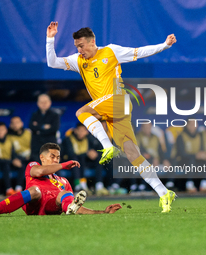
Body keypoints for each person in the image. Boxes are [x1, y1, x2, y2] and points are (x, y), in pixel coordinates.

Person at [46, 22, 177, 212]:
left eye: (81, 46)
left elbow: (139, 52)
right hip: (108, 110)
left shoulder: (111, 51)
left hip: (118, 100)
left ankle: (107, 147)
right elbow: (52, 62)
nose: (79, 50)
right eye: (77, 47)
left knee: (81, 112)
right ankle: (164, 192)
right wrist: (50, 39)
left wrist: (164, 45)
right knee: (132, 153)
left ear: (92, 42)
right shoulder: (78, 60)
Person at [0, 143, 122, 217]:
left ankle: (67, 210)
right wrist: (63, 164)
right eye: (52, 156)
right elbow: (40, 171)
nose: (56, 160)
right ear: (42, 157)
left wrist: (101, 212)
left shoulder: (63, 180)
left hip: (51, 207)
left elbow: (73, 205)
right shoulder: (33, 166)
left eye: (58, 157)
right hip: (33, 204)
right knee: (35, 190)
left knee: (64, 194)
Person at [62, 123, 109, 196]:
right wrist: (87, 153)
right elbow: (70, 154)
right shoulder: (69, 139)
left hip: (85, 162)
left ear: (86, 132)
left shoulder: (89, 138)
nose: (81, 133)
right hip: (71, 163)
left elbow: (100, 149)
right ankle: (79, 186)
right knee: (76, 160)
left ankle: (99, 185)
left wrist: (94, 153)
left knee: (98, 158)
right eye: (79, 130)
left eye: (83, 131)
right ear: (75, 131)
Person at [0, 122, 20, 196]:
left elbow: (13, 152)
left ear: (6, 130)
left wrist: (15, 159)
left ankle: (18, 188)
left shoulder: (9, 139)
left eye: (2, 130)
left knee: (21, 165)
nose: (0, 132)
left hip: (8, 162)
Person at [29, 94, 60, 162]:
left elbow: (54, 128)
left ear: (50, 102)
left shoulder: (55, 115)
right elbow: (31, 127)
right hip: (37, 148)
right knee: (38, 169)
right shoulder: (34, 115)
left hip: (50, 147)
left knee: (52, 169)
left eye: (45, 102)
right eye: (41, 102)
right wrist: (44, 127)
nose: (43, 104)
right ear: (38, 103)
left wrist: (38, 129)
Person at [8, 116, 32, 192]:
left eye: (17, 123)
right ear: (10, 125)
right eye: (13, 123)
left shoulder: (28, 133)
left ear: (21, 124)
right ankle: (18, 189)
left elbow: (36, 147)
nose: (15, 125)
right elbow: (9, 150)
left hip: (31, 158)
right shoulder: (9, 136)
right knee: (21, 166)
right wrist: (13, 159)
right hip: (18, 159)